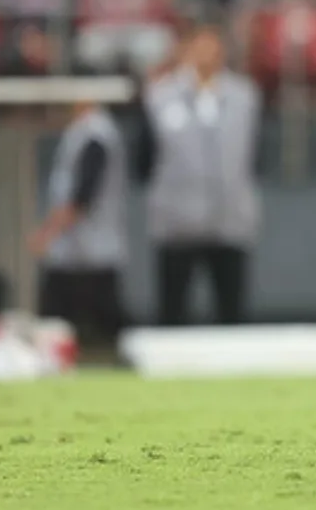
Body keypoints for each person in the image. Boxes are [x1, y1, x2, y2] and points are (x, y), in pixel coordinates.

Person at [142, 23, 261, 326]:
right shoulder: (160, 96)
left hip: (230, 217)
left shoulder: (244, 96)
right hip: (178, 220)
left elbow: (256, 154)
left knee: (231, 309)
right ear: (186, 50)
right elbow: (143, 159)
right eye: (200, 46)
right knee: (172, 309)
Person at [30, 90, 131, 352]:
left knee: (94, 327)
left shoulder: (96, 134)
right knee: (63, 323)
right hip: (79, 247)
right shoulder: (81, 130)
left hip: (90, 247)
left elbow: (82, 196)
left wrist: (47, 232)